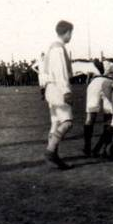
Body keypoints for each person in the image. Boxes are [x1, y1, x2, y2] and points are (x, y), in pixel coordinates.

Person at [41, 20, 74, 169]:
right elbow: (60, 72)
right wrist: (66, 91)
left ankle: (54, 154)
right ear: (67, 32)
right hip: (57, 89)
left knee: (55, 122)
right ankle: (51, 151)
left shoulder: (50, 48)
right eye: (71, 33)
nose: (71, 36)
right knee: (67, 122)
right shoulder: (58, 49)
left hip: (50, 88)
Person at [83, 60, 113, 158]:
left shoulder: (94, 64)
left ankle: (87, 148)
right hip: (109, 82)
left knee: (90, 117)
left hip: (94, 83)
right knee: (109, 117)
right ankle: (101, 148)